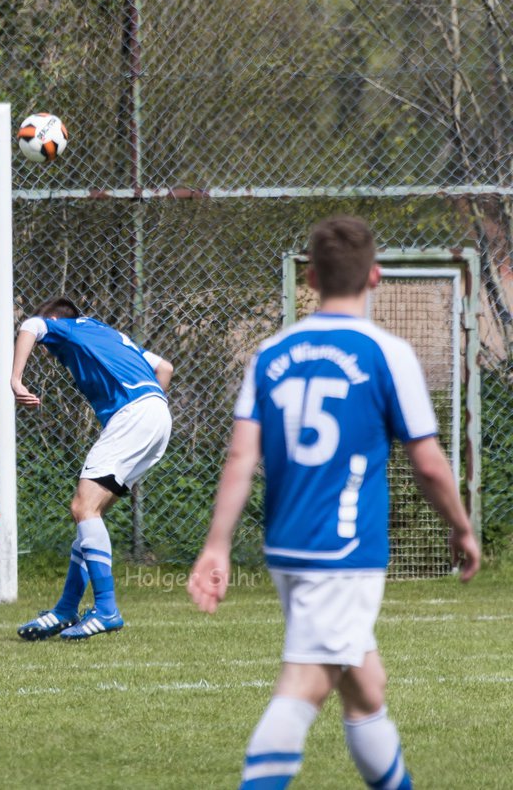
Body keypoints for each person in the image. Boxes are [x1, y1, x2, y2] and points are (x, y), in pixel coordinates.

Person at [188, 215, 481, 789]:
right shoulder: (386, 354)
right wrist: (462, 528)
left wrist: (217, 544)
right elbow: (426, 460)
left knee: (366, 686)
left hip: (288, 547)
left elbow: (241, 459)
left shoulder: (271, 353)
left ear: (313, 279)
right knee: (303, 687)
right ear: (374, 277)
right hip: (345, 550)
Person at [10, 297, 172, 641]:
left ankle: (107, 609)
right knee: (90, 515)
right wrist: (150, 415)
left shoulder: (65, 328)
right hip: (156, 414)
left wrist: (16, 381)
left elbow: (30, 326)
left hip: (135, 414)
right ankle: (66, 610)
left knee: (82, 508)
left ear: (55, 318)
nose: (47, 350)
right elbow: (165, 368)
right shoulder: (104, 332)